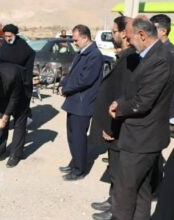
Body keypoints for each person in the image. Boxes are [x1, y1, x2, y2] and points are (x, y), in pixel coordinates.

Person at [109, 17, 174, 220]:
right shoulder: (150, 55)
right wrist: (119, 101)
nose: (128, 42)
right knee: (141, 191)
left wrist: (119, 110)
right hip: (144, 137)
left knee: (124, 193)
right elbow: (135, 89)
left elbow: (143, 101)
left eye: (130, 38)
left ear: (142, 35)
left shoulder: (161, 58)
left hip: (142, 138)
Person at [89, 16, 140, 220]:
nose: (112, 35)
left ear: (124, 34)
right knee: (114, 169)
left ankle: (117, 210)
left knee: (121, 173)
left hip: (120, 128)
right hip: (115, 126)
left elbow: (125, 96)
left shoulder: (130, 59)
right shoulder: (124, 56)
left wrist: (112, 127)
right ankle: (112, 201)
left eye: (114, 31)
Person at [59, 24, 103, 181]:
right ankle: (74, 163)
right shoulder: (82, 52)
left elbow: (85, 80)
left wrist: (66, 89)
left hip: (83, 103)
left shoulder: (95, 55)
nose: (74, 42)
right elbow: (72, 74)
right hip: (75, 101)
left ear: (85, 38)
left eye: (76, 39)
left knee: (78, 137)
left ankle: (79, 170)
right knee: (72, 136)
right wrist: (62, 84)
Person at [0, 24, 35, 123]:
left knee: (19, 104)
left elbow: (31, 55)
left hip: (19, 80)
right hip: (6, 80)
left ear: (14, 35)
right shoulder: (4, 44)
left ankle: (22, 121)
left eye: (9, 36)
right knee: (5, 102)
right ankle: (3, 119)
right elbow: (0, 60)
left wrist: (26, 75)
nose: (7, 38)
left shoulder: (22, 44)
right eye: (6, 36)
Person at [150, 14, 174, 138]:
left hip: (163, 111)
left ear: (164, 31)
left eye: (153, 29)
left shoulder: (170, 53)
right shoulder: (155, 51)